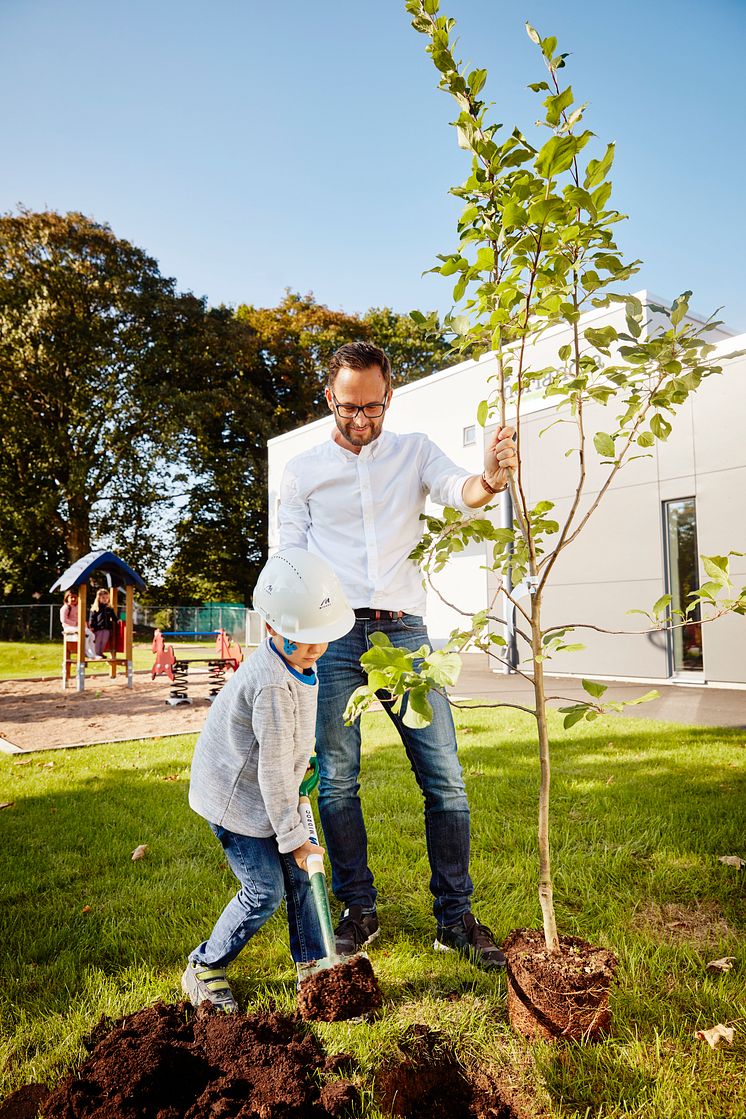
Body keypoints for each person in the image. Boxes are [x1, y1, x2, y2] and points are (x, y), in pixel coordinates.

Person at [278, 340, 518, 970]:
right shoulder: (302, 471)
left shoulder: (412, 451)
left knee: (445, 779)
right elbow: (290, 560)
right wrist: (287, 639)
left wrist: (490, 478)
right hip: (330, 640)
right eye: (350, 407)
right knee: (337, 781)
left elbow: (458, 488)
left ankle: (455, 919)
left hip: (406, 636)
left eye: (375, 407)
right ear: (331, 396)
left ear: (389, 395)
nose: (363, 419)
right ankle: (359, 910)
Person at [182, 547, 355, 1012]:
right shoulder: (273, 685)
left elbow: (289, 748)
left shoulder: (301, 661)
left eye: (324, 637)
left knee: (302, 879)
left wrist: (307, 761)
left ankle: (315, 966)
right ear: (274, 629)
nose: (318, 648)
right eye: (307, 639)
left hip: (270, 787)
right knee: (266, 889)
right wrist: (295, 838)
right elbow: (272, 772)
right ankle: (204, 965)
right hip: (235, 801)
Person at [60, 589, 97, 659]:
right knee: (84, 633)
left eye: (75, 597)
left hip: (78, 627)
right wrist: (76, 623)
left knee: (92, 635)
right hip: (69, 628)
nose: (73, 599)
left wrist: (85, 625)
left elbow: (81, 618)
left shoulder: (78, 607)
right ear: (67, 598)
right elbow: (63, 620)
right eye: (71, 597)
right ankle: (86, 652)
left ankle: (93, 653)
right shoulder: (65, 608)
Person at [88, 588, 117, 658]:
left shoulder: (109, 608)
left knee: (104, 640)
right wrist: (91, 626)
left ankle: (100, 653)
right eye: (103, 597)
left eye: (107, 598)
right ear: (99, 598)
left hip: (106, 628)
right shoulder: (95, 608)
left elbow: (114, 617)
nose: (105, 599)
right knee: (98, 641)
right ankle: (96, 653)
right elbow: (92, 618)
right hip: (98, 628)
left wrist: (117, 620)